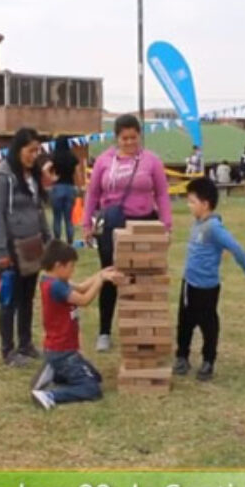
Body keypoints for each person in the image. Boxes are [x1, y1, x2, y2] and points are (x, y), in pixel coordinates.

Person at [82, 114, 172, 353]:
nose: (130, 143)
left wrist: (167, 226)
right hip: (112, 225)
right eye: (125, 138)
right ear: (117, 138)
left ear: (139, 136)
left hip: (144, 223)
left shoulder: (151, 161)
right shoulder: (103, 161)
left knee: (143, 279)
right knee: (110, 276)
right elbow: (92, 194)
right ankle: (104, 332)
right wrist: (86, 225)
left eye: (134, 137)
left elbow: (162, 194)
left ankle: (143, 331)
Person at [172, 178, 245, 381]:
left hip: (206, 288)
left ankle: (208, 361)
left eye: (191, 202)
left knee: (208, 324)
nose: (188, 205)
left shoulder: (213, 227)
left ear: (205, 204)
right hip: (188, 284)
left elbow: (235, 247)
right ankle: (182, 357)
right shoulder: (197, 224)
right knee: (184, 323)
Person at [29, 241, 124, 410]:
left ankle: (54, 372)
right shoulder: (56, 286)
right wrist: (101, 280)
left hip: (62, 351)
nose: (73, 270)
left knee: (95, 377)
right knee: (92, 389)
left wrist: (101, 273)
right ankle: (49, 395)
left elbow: (81, 287)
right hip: (63, 352)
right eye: (71, 267)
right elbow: (84, 299)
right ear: (59, 265)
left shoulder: (53, 279)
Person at [0, 127, 52, 367]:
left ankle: (26, 343)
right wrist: (2, 251)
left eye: (37, 151)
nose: (34, 155)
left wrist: (47, 238)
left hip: (32, 243)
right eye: (30, 150)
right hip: (11, 246)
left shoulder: (32, 176)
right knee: (9, 300)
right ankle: (8, 350)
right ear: (18, 149)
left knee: (27, 297)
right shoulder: (1, 176)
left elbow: (38, 208)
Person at [49, 136, 82, 244]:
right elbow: (78, 173)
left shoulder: (54, 157)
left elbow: (45, 168)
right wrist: (80, 186)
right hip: (70, 188)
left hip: (57, 187)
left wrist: (52, 178)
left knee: (57, 218)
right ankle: (70, 242)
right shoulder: (73, 157)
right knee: (68, 219)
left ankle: (57, 241)